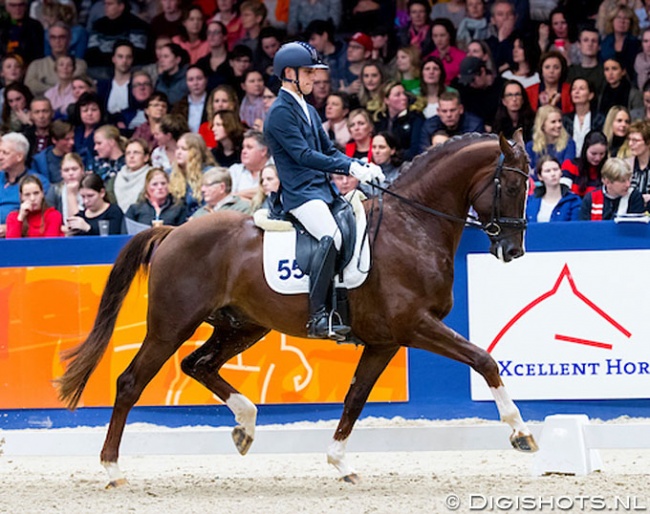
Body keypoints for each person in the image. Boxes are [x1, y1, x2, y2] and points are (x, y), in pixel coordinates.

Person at [263, 41, 383, 340]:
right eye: (307, 72)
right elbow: (303, 156)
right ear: (289, 73)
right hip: (300, 194)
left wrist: (358, 164)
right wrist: (347, 169)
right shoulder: (279, 112)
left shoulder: (309, 110)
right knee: (333, 235)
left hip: (322, 190)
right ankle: (318, 316)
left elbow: (328, 149)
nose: (313, 78)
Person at [0, 132, 50, 237]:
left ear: (19, 157)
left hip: (20, 235)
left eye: (5, 153)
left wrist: (10, 226)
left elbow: (41, 216)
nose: (0, 157)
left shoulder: (38, 182)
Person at [25, 22, 89, 96]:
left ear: (69, 39)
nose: (57, 41)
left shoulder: (79, 64)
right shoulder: (36, 65)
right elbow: (29, 86)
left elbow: (73, 85)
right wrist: (56, 89)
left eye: (62, 37)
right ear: (49, 40)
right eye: (53, 37)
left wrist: (44, 84)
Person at [418, 90, 485, 153]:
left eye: (452, 110)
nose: (449, 115)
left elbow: (478, 153)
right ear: (438, 111)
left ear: (461, 109)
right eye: (444, 111)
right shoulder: (429, 126)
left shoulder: (475, 125)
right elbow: (422, 155)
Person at [579, 157, 645, 220]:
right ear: (607, 182)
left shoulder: (634, 197)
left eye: (628, 179)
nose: (628, 185)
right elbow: (584, 228)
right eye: (622, 181)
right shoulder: (591, 198)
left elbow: (636, 227)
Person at [373, 81, 424, 160]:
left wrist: (394, 155)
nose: (404, 97)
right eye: (398, 95)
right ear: (386, 100)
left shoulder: (415, 118)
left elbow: (415, 150)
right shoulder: (379, 119)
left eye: (404, 94)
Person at [169, 132, 216, 216]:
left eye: (183, 149)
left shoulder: (209, 174)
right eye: (177, 148)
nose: (178, 152)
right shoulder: (169, 173)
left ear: (195, 152)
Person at [526, 155, 581, 223]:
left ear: (561, 172)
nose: (553, 174)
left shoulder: (573, 200)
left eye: (555, 169)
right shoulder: (530, 201)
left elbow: (575, 228)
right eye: (547, 171)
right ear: (540, 177)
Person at [456, 56, 504, 132]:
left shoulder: (502, 86)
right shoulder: (466, 91)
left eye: (473, 80)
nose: (471, 84)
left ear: (482, 71)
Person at [527, 105, 576, 173]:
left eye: (560, 121)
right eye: (553, 122)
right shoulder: (530, 146)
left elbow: (567, 171)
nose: (558, 125)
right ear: (542, 125)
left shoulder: (569, 144)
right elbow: (529, 172)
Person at [106, 138, 151, 213]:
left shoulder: (152, 177)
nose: (131, 156)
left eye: (136, 153)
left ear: (146, 157)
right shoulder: (114, 180)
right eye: (128, 153)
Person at [562, 78, 605, 155]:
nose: (576, 92)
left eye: (581, 89)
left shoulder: (599, 119)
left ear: (591, 95)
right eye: (573, 89)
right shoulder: (565, 119)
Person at [561, 130, 609, 198]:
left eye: (602, 154)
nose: (598, 158)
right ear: (585, 150)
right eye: (593, 154)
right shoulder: (570, 165)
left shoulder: (608, 170)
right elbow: (563, 192)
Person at [228, 129, 271, 200]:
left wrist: (238, 194)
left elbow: (270, 190)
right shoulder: (234, 170)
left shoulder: (275, 169)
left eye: (249, 147)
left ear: (263, 151)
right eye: (243, 147)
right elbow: (227, 198)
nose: (244, 151)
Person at [45, 152, 85, 227]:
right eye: (66, 170)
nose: (71, 173)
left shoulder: (91, 188)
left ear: (82, 170)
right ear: (61, 173)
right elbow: (48, 220)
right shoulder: (54, 191)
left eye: (74, 169)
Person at [31, 120, 75, 185]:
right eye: (67, 139)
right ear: (54, 140)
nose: (72, 142)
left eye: (73, 138)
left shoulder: (80, 155)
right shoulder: (39, 161)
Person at [567, 27, 605, 95]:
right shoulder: (570, 72)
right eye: (585, 40)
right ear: (579, 44)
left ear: (599, 46)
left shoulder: (605, 71)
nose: (590, 44)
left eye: (594, 41)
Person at [428, 17, 466, 85]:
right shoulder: (429, 58)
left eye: (442, 35)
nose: (438, 39)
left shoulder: (462, 57)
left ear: (450, 35)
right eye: (435, 36)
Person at [625, 120, 650, 207]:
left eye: (635, 140)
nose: (630, 144)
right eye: (629, 139)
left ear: (648, 143)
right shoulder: (625, 165)